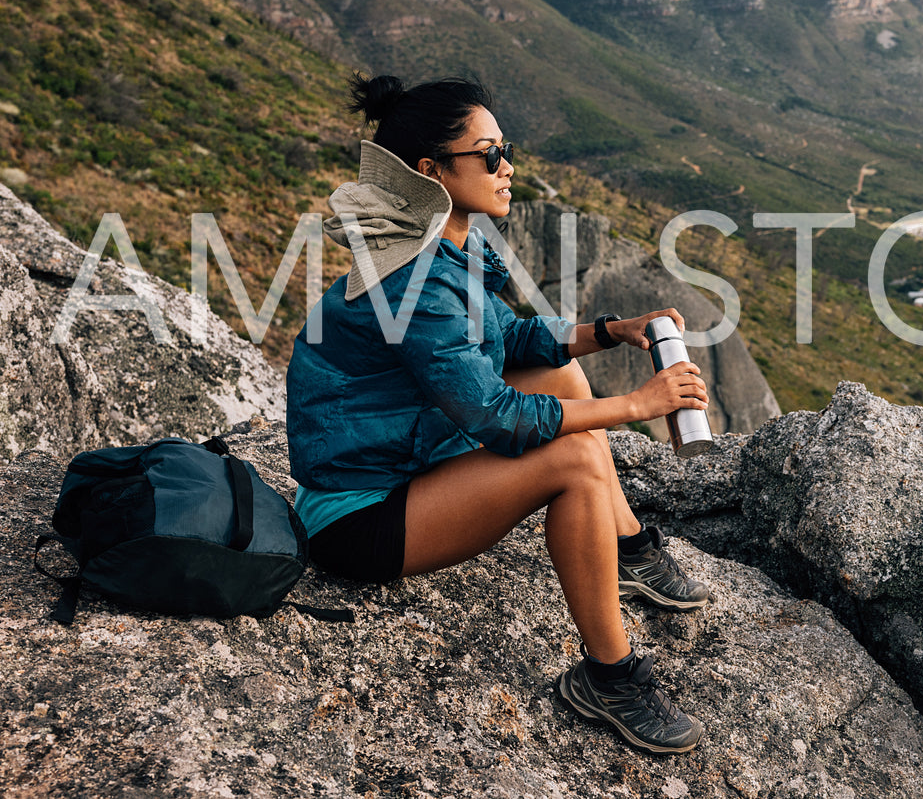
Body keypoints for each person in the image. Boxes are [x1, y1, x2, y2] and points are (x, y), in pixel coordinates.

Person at [286, 73, 713, 754]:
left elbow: (504, 342)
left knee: (561, 370)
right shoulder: (414, 276)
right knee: (572, 458)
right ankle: (610, 678)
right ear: (432, 170)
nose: (507, 166)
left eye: (503, 148)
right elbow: (495, 418)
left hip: (410, 460)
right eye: (489, 154)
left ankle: (626, 548)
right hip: (359, 518)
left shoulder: (449, 240)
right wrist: (636, 405)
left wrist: (609, 330)